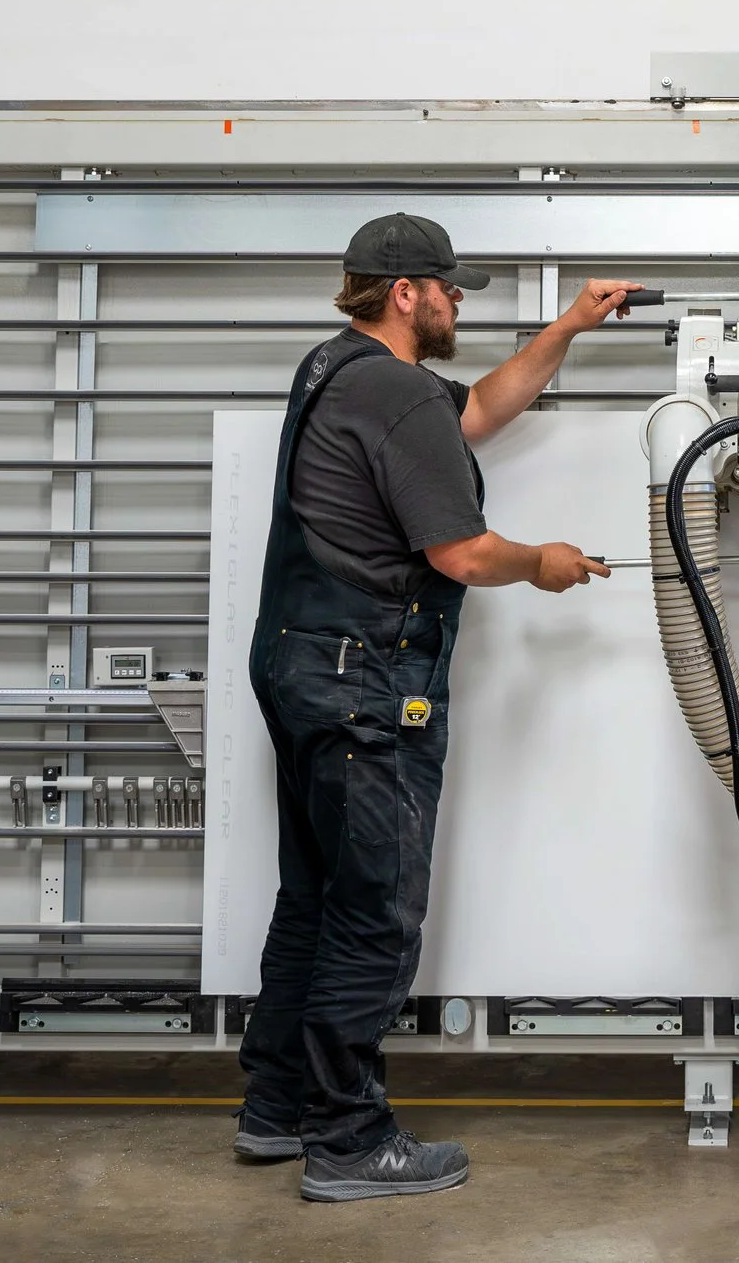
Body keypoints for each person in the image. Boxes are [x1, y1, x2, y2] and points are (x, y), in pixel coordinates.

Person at [233, 211, 640, 1202]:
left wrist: (569, 326)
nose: (460, 302)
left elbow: (474, 413)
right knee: (376, 911)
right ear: (405, 291)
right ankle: (348, 1138)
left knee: (315, 896)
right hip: (367, 684)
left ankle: (277, 1105)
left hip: (299, 663)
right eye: (450, 289)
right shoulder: (395, 392)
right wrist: (540, 561)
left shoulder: (337, 369)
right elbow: (459, 553)